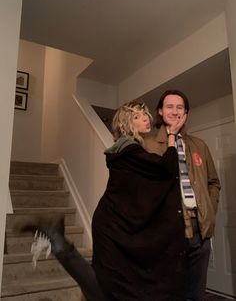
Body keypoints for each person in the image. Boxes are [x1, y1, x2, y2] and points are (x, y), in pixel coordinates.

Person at [21, 101, 188, 301]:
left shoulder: (128, 151)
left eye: (145, 115)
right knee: (109, 290)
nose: (145, 118)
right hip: (114, 226)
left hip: (116, 223)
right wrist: (171, 135)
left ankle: (58, 242)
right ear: (127, 124)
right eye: (137, 117)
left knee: (110, 287)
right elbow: (166, 169)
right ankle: (58, 242)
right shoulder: (129, 151)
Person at [144, 90, 221, 301]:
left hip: (200, 229)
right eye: (169, 106)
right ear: (160, 111)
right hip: (168, 230)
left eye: (180, 107)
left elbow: (214, 182)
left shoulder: (200, 145)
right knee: (168, 291)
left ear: (186, 113)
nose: (175, 111)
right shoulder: (147, 145)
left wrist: (209, 210)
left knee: (196, 293)